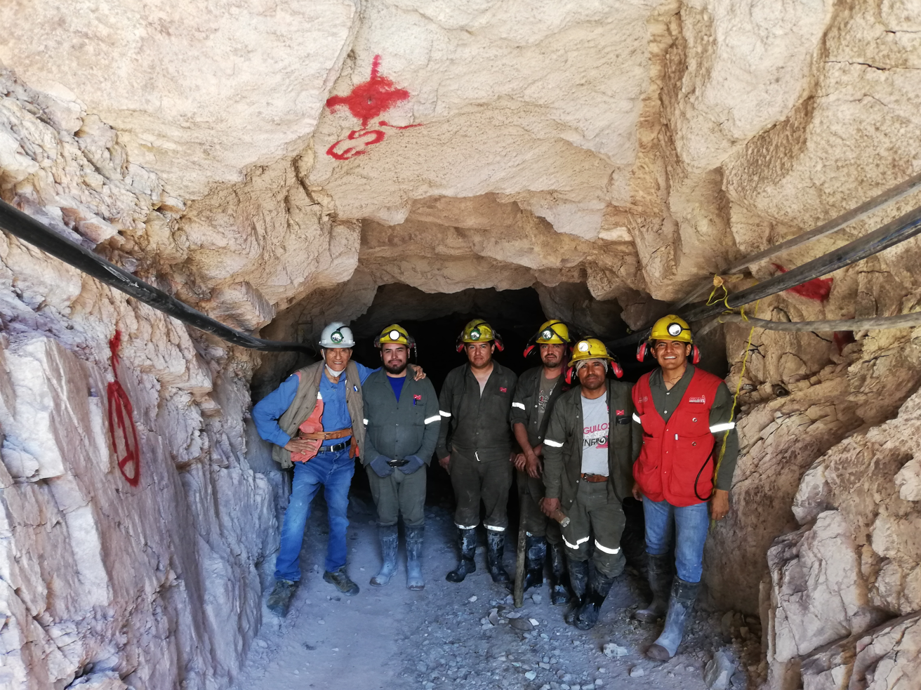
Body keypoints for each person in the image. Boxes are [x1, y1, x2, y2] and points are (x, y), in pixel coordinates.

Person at [253, 322, 422, 616]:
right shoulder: (303, 379)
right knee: (296, 517)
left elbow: (387, 378)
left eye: (343, 350)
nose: (338, 356)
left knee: (339, 518)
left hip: (343, 459)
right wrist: (287, 441)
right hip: (311, 459)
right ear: (322, 352)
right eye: (332, 350)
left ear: (350, 352)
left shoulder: (358, 373)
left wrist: (413, 370)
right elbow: (261, 412)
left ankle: (335, 570)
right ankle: (285, 579)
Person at [631, 315, 740, 660]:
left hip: (693, 492)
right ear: (652, 351)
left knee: (687, 559)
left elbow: (728, 443)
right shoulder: (641, 387)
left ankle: (673, 630)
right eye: (662, 344)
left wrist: (722, 490)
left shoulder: (712, 388)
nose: (669, 350)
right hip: (653, 488)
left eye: (676, 344)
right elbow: (640, 436)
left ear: (689, 350)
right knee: (654, 546)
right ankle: (659, 601)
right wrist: (637, 476)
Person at [541, 338, 638, 630]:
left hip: (611, 490)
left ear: (608, 367)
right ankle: (583, 597)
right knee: (575, 547)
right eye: (583, 366)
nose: (591, 370)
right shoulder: (565, 404)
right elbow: (552, 452)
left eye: (597, 364)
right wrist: (552, 495)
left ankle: (593, 603)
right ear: (575, 372)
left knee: (609, 553)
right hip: (574, 489)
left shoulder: (628, 395)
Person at [437, 319, 518, 585]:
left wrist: (516, 450)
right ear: (465, 349)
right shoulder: (454, 378)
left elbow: (520, 420)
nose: (478, 352)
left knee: (497, 511)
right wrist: (442, 451)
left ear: (493, 348)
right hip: (462, 454)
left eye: (483, 346)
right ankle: (466, 560)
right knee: (465, 508)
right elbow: (442, 418)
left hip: (499, 457)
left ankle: (496, 563)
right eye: (472, 347)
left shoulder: (509, 378)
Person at [361, 324, 440, 590]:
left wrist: (422, 457)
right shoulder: (370, 384)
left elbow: (434, 424)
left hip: (414, 466)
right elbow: (360, 426)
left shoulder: (423, 383)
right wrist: (372, 457)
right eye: (388, 351)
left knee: (414, 517)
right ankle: (388, 563)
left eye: (399, 350)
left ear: (409, 352)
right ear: (381, 354)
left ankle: (414, 566)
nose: (394, 356)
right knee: (385, 516)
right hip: (380, 465)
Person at [510, 319, 573, 604]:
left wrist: (533, 452)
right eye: (545, 345)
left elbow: (570, 429)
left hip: (561, 463)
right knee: (533, 519)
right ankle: (534, 573)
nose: (550, 350)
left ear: (565, 349)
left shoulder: (573, 380)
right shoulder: (527, 378)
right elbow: (517, 418)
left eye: (556, 345)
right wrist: (527, 453)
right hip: (529, 461)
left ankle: (560, 579)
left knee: (558, 519)